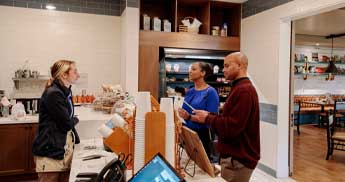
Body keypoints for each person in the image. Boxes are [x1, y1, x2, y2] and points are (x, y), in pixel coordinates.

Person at [193, 52, 260, 182]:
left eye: (227, 66)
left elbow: (232, 126)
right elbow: (230, 118)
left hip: (238, 160)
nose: (223, 70)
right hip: (234, 157)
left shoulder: (244, 90)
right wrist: (209, 115)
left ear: (240, 66)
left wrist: (208, 118)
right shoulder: (238, 87)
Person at [32, 60, 80, 182]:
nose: (78, 75)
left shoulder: (65, 92)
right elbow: (66, 124)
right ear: (64, 75)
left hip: (62, 152)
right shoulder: (53, 94)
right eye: (75, 71)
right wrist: (75, 119)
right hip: (51, 155)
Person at [178, 61, 219, 160]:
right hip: (186, 133)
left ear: (203, 73)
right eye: (190, 69)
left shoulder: (211, 92)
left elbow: (211, 118)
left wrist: (189, 117)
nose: (190, 72)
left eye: (194, 69)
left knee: (201, 167)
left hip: (201, 136)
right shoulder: (190, 91)